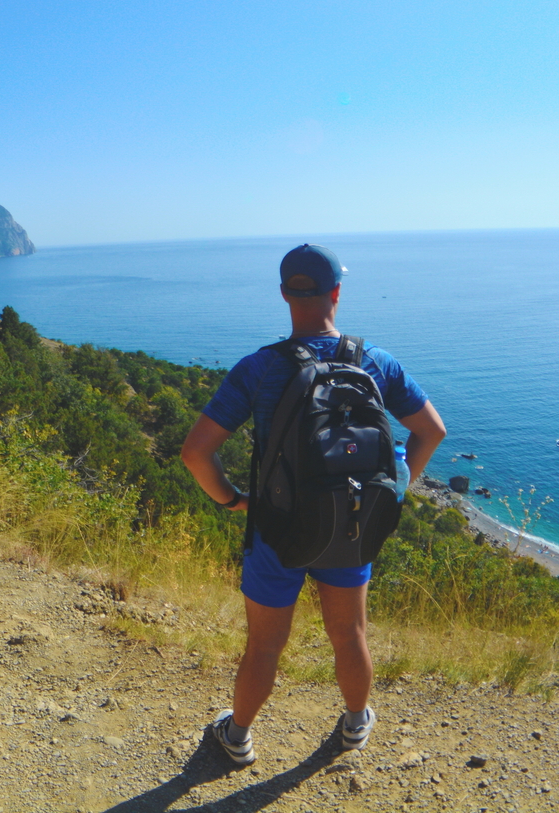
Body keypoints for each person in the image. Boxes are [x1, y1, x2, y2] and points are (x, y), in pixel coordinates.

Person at [180, 244, 447, 766]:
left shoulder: (258, 369)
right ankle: (354, 726)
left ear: (285, 295)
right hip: (351, 526)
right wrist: (392, 492)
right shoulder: (376, 362)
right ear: (336, 293)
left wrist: (235, 500)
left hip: (276, 531)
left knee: (263, 647)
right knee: (349, 635)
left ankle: (236, 739)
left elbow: (195, 454)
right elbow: (431, 432)